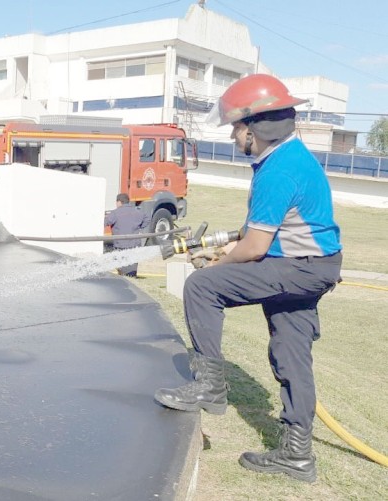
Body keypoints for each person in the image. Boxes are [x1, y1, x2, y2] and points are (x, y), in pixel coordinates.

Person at [153, 74, 343, 483]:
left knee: (201, 287)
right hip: (310, 264)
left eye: (237, 127)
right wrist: (219, 249)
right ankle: (297, 455)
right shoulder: (288, 159)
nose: (235, 136)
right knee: (292, 354)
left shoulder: (278, 170)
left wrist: (216, 266)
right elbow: (257, 233)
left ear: (256, 126)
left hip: (299, 267)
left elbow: (255, 248)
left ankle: (209, 387)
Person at [103, 193, 150, 277]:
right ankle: (132, 279)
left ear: (119, 202)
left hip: (121, 245)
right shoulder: (137, 212)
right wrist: (140, 227)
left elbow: (105, 222)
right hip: (135, 245)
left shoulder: (115, 213)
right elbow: (147, 218)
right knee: (132, 270)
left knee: (121, 269)